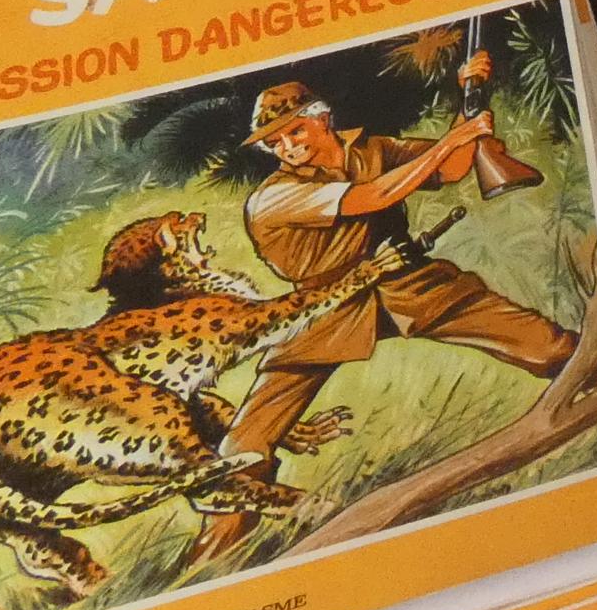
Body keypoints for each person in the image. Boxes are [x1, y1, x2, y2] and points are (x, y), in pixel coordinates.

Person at [191, 64, 577, 559]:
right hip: (325, 304)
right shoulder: (274, 197)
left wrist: (469, 100)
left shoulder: (372, 151)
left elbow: (450, 169)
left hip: (405, 280)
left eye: (294, 131)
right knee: (247, 441)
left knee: (535, 338)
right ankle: (220, 543)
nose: (287, 147)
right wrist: (451, 140)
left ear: (321, 118)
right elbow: (375, 196)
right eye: (275, 142)